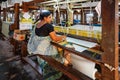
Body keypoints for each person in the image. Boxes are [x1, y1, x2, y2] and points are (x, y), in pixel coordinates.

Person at [27, 10, 66, 80]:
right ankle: (54, 75)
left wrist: (53, 32)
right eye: (50, 17)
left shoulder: (37, 25)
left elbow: (43, 34)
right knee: (65, 58)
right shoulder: (49, 26)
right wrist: (63, 37)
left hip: (39, 50)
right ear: (45, 18)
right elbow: (55, 39)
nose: (51, 19)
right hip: (47, 52)